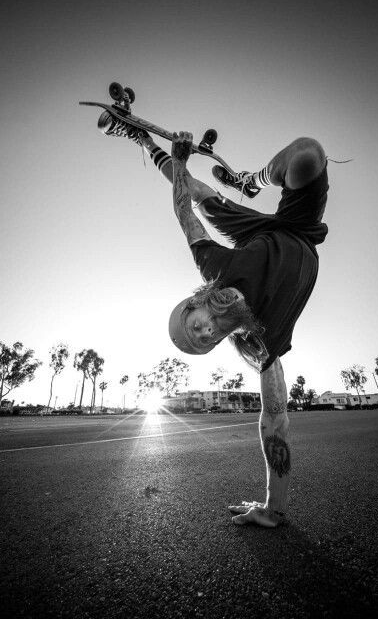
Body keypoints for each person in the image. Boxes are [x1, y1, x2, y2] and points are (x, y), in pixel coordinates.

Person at [99, 112, 328, 528]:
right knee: (310, 159)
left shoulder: (213, 268)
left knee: (207, 188)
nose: (205, 333)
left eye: (195, 326)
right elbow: (274, 420)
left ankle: (229, 174)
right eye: (202, 342)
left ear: (195, 305)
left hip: (259, 228)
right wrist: (273, 510)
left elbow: (184, 214)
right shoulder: (261, 342)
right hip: (300, 231)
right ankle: (157, 149)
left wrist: (179, 159)